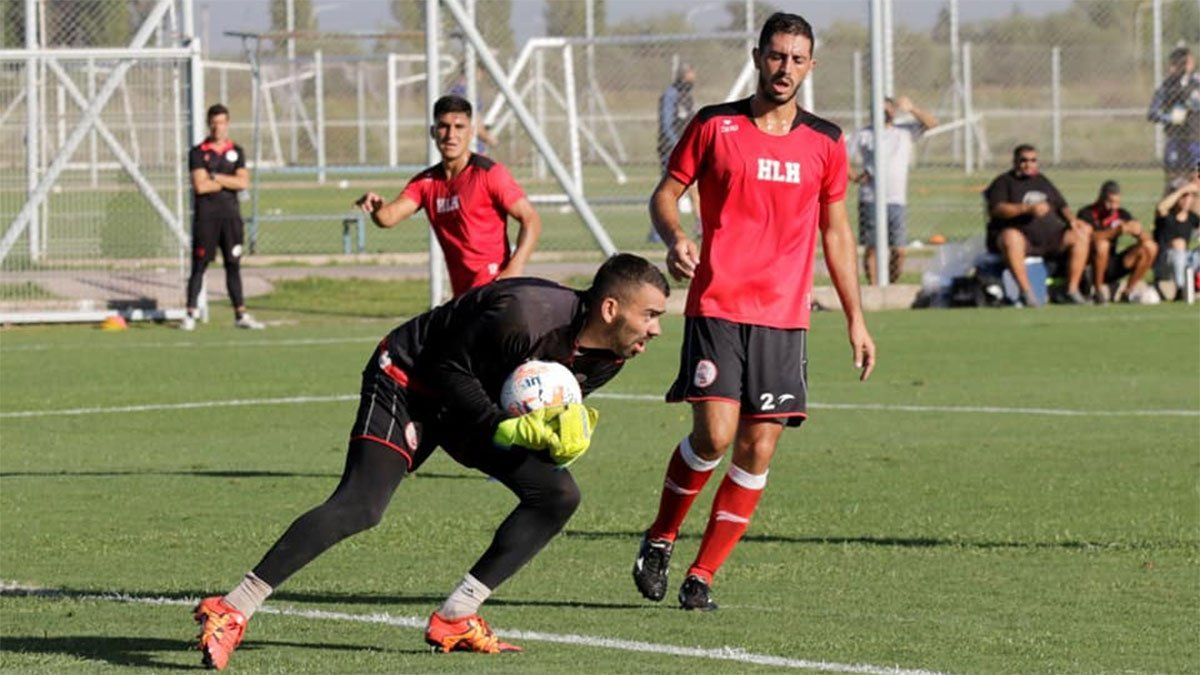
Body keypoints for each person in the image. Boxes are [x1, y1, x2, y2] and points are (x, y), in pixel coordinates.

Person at [192, 254, 669, 669]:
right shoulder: (525, 314)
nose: (656, 328)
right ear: (610, 308)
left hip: (472, 405)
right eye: (649, 314)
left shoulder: (611, 357)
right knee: (362, 505)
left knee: (557, 494)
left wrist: (555, 438)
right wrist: (500, 427)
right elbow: (446, 368)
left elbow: (530, 405)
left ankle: (457, 617)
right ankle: (232, 607)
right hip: (409, 378)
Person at [631, 12, 876, 612]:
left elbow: (837, 233)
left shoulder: (826, 141)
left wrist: (855, 317)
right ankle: (661, 537)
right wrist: (675, 235)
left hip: (784, 318)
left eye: (797, 58)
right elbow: (667, 192)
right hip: (717, 304)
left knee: (758, 449)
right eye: (776, 55)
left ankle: (703, 574)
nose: (785, 68)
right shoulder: (716, 125)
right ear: (758, 56)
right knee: (713, 436)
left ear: (810, 66)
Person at [355, 95, 540, 298]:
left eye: (459, 127)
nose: (451, 135)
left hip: (496, 292)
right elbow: (388, 218)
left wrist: (514, 269)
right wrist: (377, 206)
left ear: (471, 133)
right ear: (433, 132)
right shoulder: (426, 183)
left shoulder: (488, 173)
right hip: (463, 298)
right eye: (443, 126)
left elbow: (531, 219)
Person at [182, 104, 263, 331]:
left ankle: (240, 314)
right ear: (209, 124)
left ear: (228, 124)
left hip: (231, 218)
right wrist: (228, 181)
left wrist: (216, 177)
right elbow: (200, 186)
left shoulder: (236, 151)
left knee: (233, 265)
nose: (218, 127)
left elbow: (243, 182)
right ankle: (190, 313)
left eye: (222, 123)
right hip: (206, 218)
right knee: (199, 265)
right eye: (214, 123)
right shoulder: (198, 152)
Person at [983, 144, 1092, 307]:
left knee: (1081, 234)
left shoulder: (1042, 181)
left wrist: (1073, 221)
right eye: (1024, 160)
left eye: (1033, 160)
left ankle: (1072, 290)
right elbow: (997, 209)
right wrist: (1027, 208)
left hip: (1049, 238)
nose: (1029, 164)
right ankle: (1026, 293)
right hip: (1021, 239)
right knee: (1010, 238)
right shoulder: (1004, 182)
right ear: (1015, 162)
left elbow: (1062, 205)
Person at [849, 95, 937, 284]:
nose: (886, 113)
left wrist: (911, 108)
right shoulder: (864, 133)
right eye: (881, 109)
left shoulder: (903, 131)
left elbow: (931, 124)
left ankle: (890, 284)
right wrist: (855, 177)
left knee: (899, 250)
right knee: (872, 248)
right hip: (870, 198)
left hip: (896, 200)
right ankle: (874, 288)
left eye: (889, 109)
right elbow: (842, 158)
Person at [1075, 180, 1158, 304]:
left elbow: (1147, 239)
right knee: (1102, 245)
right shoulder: (1086, 213)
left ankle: (1128, 292)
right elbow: (1090, 238)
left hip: (1112, 264)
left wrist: (1139, 232)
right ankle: (1098, 292)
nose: (1114, 207)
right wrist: (1116, 231)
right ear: (1100, 198)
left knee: (1150, 247)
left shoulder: (1121, 214)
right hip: (1091, 266)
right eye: (1110, 202)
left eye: (1117, 203)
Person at [649, 63, 700, 243]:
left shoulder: (686, 96)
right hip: (671, 148)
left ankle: (699, 225)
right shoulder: (671, 95)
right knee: (669, 190)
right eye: (688, 78)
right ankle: (657, 232)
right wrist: (677, 144)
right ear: (680, 77)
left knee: (691, 188)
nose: (691, 82)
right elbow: (666, 123)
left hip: (686, 148)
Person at [1147, 46, 1200, 188]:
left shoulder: (1197, 83)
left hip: (1195, 141)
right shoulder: (1167, 86)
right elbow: (1152, 113)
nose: (1189, 65)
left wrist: (1195, 105)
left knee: (1195, 181)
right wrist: (1170, 118)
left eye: (1190, 62)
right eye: (1186, 62)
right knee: (1173, 182)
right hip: (1175, 140)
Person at [1154, 175, 1200, 301]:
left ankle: (1195, 285)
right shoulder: (1166, 215)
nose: (1186, 200)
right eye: (1183, 196)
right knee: (1179, 244)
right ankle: (1181, 289)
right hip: (1165, 263)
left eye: (1189, 196)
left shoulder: (1192, 217)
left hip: (1186, 260)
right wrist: (1182, 190)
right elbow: (1160, 207)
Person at [448, 72, 498, 153]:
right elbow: (474, 121)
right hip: (469, 148)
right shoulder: (460, 93)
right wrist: (488, 138)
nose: (481, 76)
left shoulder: (469, 91)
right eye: (480, 72)